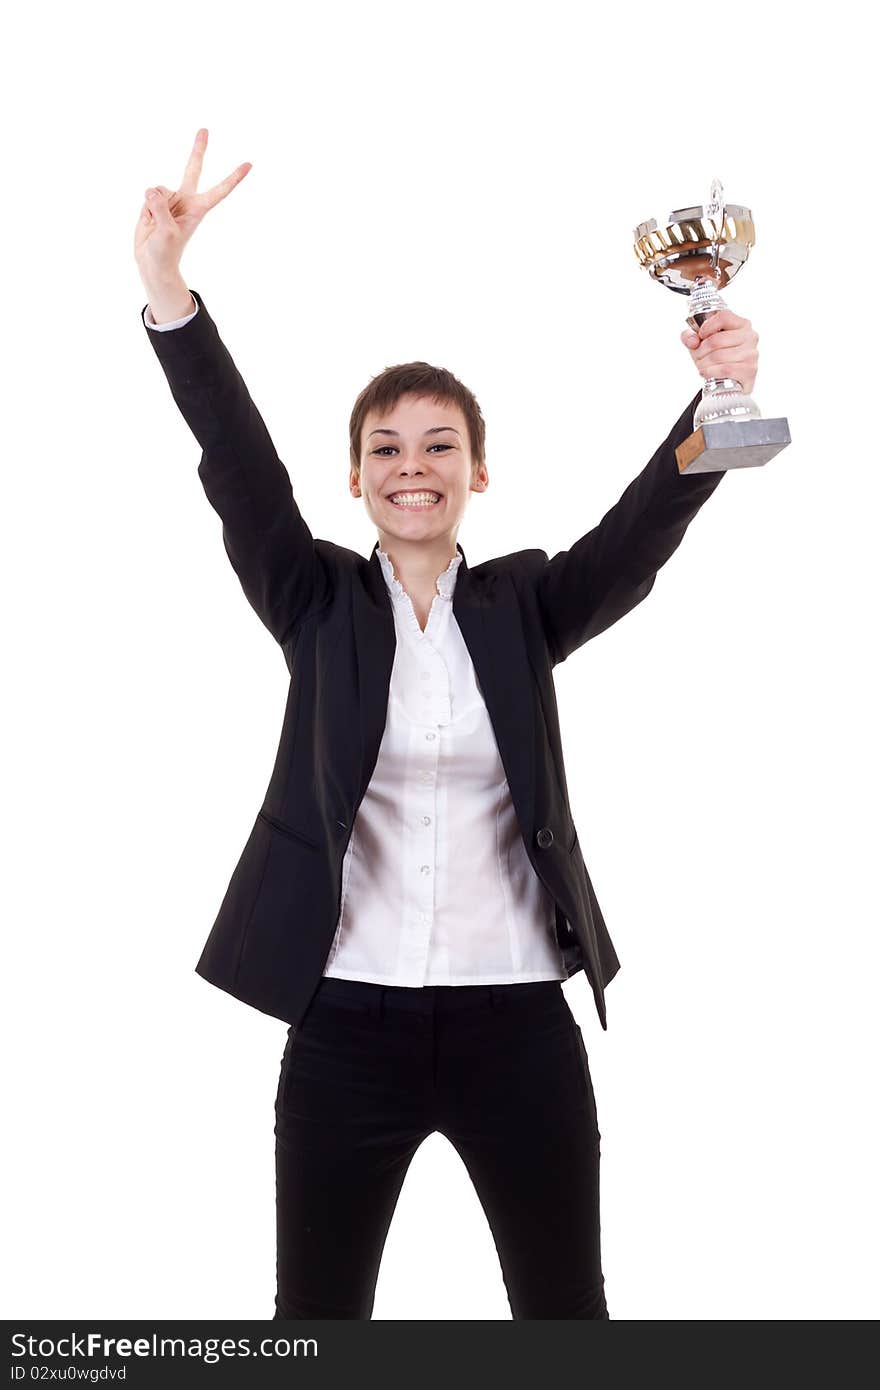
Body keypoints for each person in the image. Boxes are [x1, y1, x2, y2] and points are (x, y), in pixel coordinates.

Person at [134, 129, 759, 1321]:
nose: (409, 467)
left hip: (519, 1023)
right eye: (384, 449)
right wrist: (169, 293)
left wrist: (718, 394)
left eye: (438, 447)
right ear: (354, 478)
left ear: (479, 472)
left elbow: (635, 540)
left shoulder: (524, 603)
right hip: (344, 1025)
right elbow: (236, 460)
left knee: (564, 1317)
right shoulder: (312, 598)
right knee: (313, 1328)